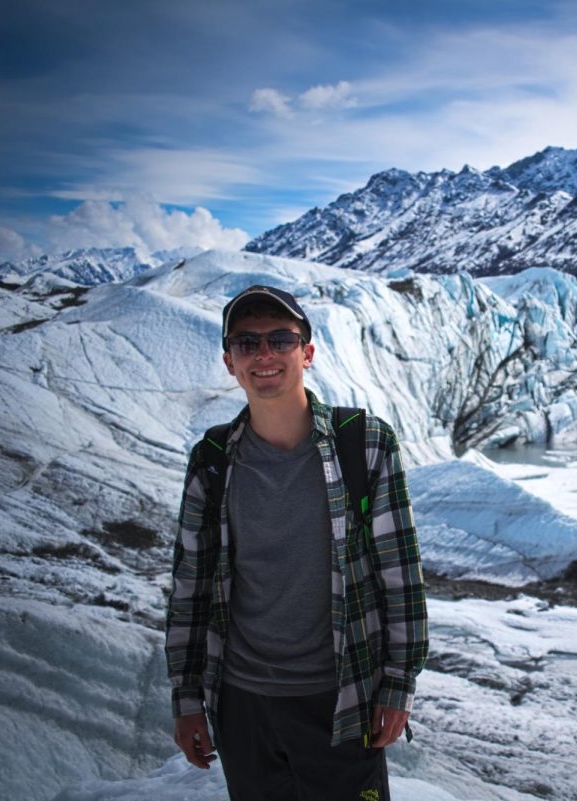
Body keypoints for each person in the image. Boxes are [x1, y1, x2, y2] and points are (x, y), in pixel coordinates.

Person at [164, 284, 428, 801]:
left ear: (306, 352)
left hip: (342, 699)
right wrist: (186, 698)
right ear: (229, 362)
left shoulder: (365, 443)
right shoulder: (213, 458)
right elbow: (190, 587)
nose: (264, 354)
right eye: (246, 343)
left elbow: (401, 575)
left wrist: (399, 683)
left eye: (280, 339)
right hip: (243, 705)